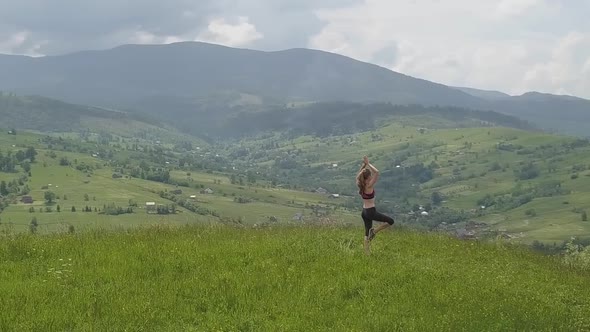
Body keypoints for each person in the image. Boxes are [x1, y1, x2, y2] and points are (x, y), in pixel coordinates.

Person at [356, 155, 394, 254]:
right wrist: (368, 164)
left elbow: (359, 175)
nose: (372, 177)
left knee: (366, 232)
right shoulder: (369, 186)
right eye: (370, 177)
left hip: (364, 212)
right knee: (390, 221)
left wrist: (364, 166)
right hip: (371, 212)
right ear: (368, 178)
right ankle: (375, 231)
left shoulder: (360, 184)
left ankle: (366, 253)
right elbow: (377, 172)